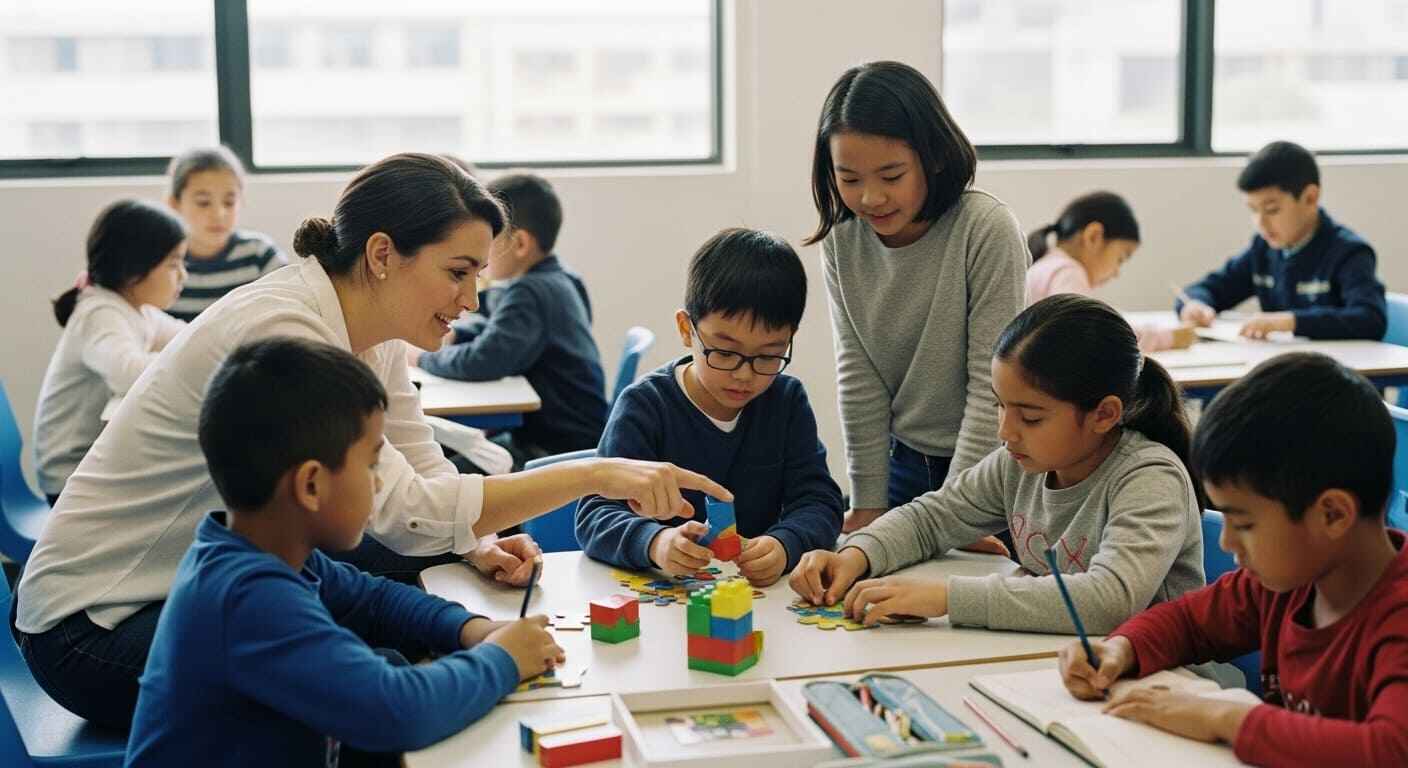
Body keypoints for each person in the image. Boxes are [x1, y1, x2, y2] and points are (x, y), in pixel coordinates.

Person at [13, 153, 731, 729]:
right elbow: (407, 511)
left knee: (396, 595)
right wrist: (594, 475)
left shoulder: (365, 324)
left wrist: (472, 546)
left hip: (185, 582)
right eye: (457, 272)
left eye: (479, 275)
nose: (472, 298)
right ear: (383, 254)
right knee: (382, 661)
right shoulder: (288, 333)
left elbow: (415, 479)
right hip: (92, 626)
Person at [125, 337, 565, 766]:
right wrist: (504, 658)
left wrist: (472, 628)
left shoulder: (268, 551)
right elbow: (398, 711)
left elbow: (371, 599)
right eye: (372, 464)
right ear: (311, 484)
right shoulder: (248, 598)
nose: (378, 483)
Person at [1059, 352, 1408, 766]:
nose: (1226, 542)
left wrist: (1225, 717)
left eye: (1244, 524)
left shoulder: (1397, 616)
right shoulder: (1289, 580)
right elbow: (1188, 623)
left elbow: (1391, 750)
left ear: (1332, 514)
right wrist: (1121, 649)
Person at [791, 295, 1204, 634]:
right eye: (999, 406)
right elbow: (932, 518)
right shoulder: (1020, 463)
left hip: (1163, 680)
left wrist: (945, 597)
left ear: (1104, 414)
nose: (1006, 432)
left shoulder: (1149, 477)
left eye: (1031, 416)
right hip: (1065, 664)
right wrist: (858, 554)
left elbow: (1109, 600)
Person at [806, 60, 1027, 551]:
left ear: (934, 157)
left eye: (891, 175)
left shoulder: (985, 229)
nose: (871, 197)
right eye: (849, 178)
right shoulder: (843, 241)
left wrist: (960, 512)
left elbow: (990, 384)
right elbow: (858, 375)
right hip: (903, 468)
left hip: (991, 470)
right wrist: (866, 499)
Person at [576, 228, 844, 586]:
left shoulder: (786, 401)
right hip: (669, 603)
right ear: (687, 329)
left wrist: (785, 544)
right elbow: (596, 513)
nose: (744, 374)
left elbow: (820, 501)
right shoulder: (646, 406)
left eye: (768, 356)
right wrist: (655, 542)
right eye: (725, 352)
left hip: (757, 605)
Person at [417, 173, 608, 462]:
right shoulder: (561, 278)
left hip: (553, 449)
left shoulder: (529, 292)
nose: (478, 254)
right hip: (580, 437)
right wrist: (460, 334)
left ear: (519, 244)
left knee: (444, 471)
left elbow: (482, 362)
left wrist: (421, 358)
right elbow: (503, 329)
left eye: (487, 240)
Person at [33, 199, 189, 503]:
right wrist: (186, 363)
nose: (183, 275)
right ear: (133, 269)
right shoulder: (100, 312)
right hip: (70, 480)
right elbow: (127, 375)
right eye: (173, 263)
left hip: (92, 472)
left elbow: (191, 339)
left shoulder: (136, 310)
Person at [1175, 141, 1386, 340]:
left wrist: (1289, 321)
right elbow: (1208, 288)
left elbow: (1369, 319)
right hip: (1285, 368)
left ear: (1310, 198)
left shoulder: (1348, 252)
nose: (1261, 223)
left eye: (1272, 210)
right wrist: (1195, 305)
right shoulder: (1263, 249)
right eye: (1253, 211)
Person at [1025, 190, 1194, 352]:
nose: (1117, 273)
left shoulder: (1047, 265)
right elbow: (1101, 336)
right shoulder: (1068, 272)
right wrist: (1168, 338)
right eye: (1121, 258)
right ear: (1094, 237)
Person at [164, 145, 287, 321]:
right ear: (174, 203)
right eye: (203, 202)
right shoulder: (160, 263)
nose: (219, 214)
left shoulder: (260, 256)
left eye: (229, 203)